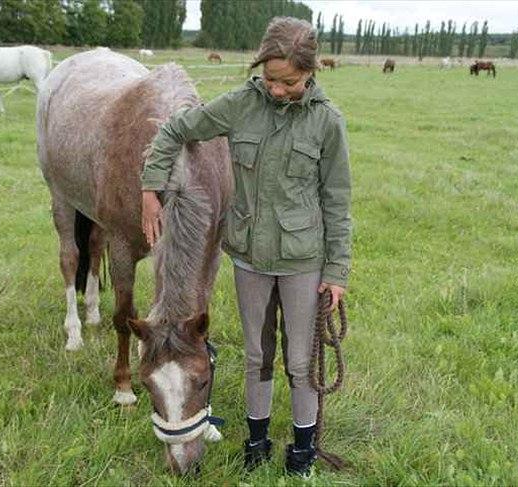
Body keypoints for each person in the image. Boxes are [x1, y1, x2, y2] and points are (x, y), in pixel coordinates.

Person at [140, 17, 351, 477]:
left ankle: (302, 449)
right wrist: (151, 186)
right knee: (257, 354)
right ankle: (256, 443)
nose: (276, 90)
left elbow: (338, 201)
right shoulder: (239, 105)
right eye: (270, 79)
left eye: (289, 82)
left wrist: (336, 271)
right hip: (250, 259)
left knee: (300, 359)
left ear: (311, 71)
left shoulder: (328, 122)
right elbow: (175, 129)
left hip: (303, 261)